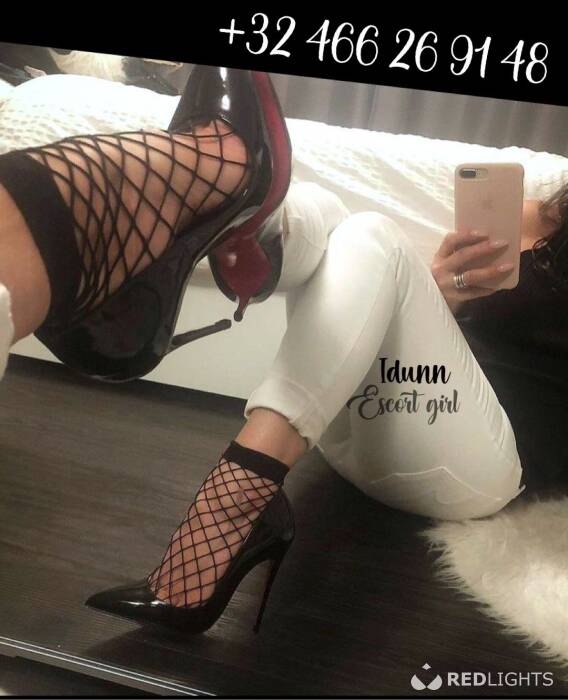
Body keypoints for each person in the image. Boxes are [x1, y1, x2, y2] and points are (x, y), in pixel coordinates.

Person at [0, 66, 566, 634]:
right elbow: (439, 335)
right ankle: (253, 227)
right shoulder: (532, 215)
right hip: (370, 425)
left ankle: (223, 209)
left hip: (480, 472)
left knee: (376, 235)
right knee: (336, 217)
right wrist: (446, 289)